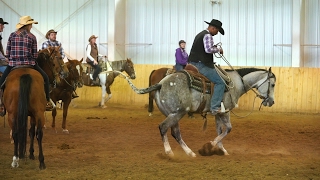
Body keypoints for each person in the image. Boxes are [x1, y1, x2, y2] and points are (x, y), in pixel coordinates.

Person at [0, 15, 54, 112]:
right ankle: (47, 101)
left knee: (2, 81)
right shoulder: (32, 37)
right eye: (31, 25)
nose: (31, 27)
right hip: (29, 63)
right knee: (45, 77)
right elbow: (34, 55)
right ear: (27, 25)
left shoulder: (12, 35)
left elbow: (7, 53)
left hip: (13, 64)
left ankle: (1, 103)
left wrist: (12, 58)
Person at [188, 19, 228, 115]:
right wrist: (218, 49)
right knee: (221, 82)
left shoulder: (200, 34)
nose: (217, 33)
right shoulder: (208, 35)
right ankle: (215, 107)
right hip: (201, 64)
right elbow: (208, 49)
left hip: (193, 63)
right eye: (217, 31)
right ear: (213, 28)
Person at [42, 29, 78, 99]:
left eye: (55, 35)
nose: (54, 36)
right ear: (48, 36)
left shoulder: (59, 43)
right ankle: (45, 91)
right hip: (49, 64)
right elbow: (44, 55)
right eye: (52, 35)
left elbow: (62, 54)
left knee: (67, 72)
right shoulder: (45, 44)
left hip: (58, 63)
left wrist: (59, 60)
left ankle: (70, 90)